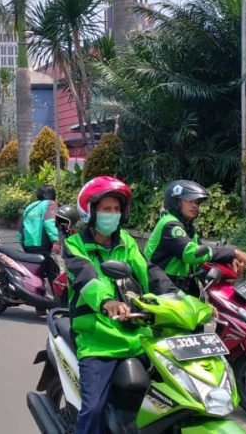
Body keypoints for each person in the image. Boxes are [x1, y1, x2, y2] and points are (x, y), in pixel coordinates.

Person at [64, 176, 178, 434]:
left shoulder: (126, 241)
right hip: (97, 340)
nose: (112, 214)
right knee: (93, 410)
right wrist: (107, 302)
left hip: (137, 334)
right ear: (91, 212)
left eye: (116, 209)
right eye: (106, 209)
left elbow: (149, 272)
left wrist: (180, 299)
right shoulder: (75, 245)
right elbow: (86, 278)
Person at [143, 180, 246, 292]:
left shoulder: (186, 227)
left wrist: (229, 259)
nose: (195, 206)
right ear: (176, 202)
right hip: (158, 286)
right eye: (190, 201)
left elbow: (203, 251)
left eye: (197, 202)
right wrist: (232, 253)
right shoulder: (170, 225)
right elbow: (192, 253)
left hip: (174, 285)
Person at [20, 186, 61, 317]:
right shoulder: (50, 204)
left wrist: (23, 244)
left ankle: (40, 308)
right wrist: (56, 240)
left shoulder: (30, 207)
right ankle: (58, 306)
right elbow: (49, 223)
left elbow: (21, 229)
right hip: (43, 245)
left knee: (36, 275)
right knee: (54, 275)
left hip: (28, 245)